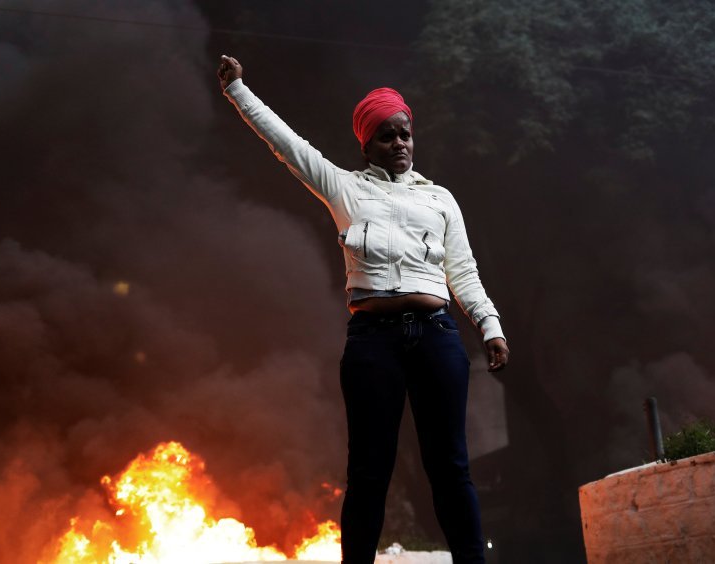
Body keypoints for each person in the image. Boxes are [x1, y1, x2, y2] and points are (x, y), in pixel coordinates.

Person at [217, 55, 509, 564]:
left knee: (450, 468)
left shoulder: (440, 199)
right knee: (370, 471)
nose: (399, 144)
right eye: (387, 137)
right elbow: (288, 147)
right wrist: (239, 91)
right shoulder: (345, 189)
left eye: (405, 135)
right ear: (367, 143)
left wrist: (489, 326)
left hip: (438, 337)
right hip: (374, 342)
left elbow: (461, 272)